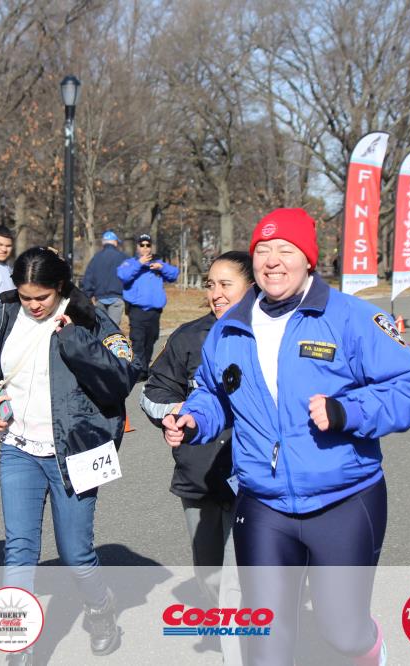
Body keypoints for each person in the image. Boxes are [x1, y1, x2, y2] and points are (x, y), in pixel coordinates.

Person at [163, 209, 410, 666]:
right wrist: (193, 419)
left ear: (309, 259)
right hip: (262, 503)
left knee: (343, 634)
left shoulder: (350, 317)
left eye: (285, 250)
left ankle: (370, 649)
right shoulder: (230, 327)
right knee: (267, 643)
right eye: (263, 251)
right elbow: (213, 392)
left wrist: (347, 411)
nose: (272, 261)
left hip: (344, 500)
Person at [0, 247, 140, 664]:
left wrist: (74, 339)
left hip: (77, 451)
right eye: (25, 296)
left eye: (42, 297)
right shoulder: (0, 318)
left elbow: (122, 378)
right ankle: (19, 642)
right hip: (19, 449)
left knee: (76, 554)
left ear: (61, 287)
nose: (33, 305)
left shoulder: (89, 319)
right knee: (19, 549)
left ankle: (100, 608)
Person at [140, 250, 253, 666]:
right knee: (211, 576)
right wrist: (175, 414)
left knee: (241, 580)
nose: (216, 293)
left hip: (252, 479)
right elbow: (153, 391)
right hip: (199, 475)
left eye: (226, 285)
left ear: (251, 287)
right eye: (210, 285)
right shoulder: (189, 337)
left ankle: (240, 650)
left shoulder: (269, 335)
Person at [117, 233, 179, 380]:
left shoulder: (158, 264)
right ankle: (139, 370)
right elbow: (123, 275)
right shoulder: (130, 263)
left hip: (154, 311)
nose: (145, 248)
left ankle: (144, 368)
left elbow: (174, 274)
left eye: (148, 245)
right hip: (137, 310)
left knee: (151, 340)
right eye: (142, 245)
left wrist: (162, 267)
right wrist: (139, 263)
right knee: (138, 340)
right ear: (137, 247)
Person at [81, 230, 127, 324]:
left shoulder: (96, 258)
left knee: (103, 327)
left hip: (100, 298)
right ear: (115, 242)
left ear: (103, 243)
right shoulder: (123, 257)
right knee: (113, 328)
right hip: (117, 297)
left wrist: (88, 295)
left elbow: (89, 278)